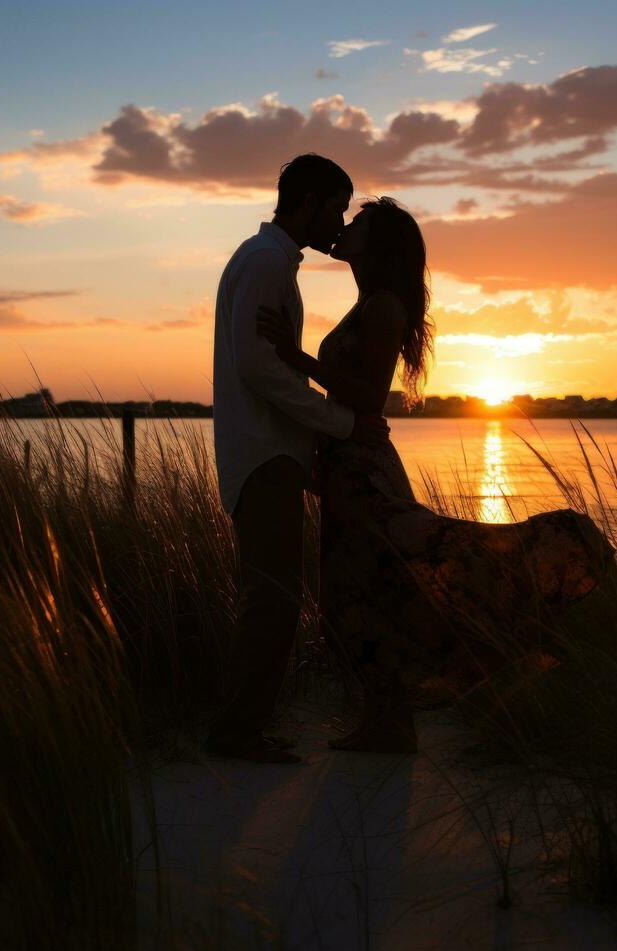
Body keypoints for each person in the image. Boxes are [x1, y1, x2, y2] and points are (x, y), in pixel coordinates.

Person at [257, 197, 615, 753]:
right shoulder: (369, 303)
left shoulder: (383, 308)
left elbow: (371, 398)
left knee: (376, 588)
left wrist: (293, 358)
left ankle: (406, 711)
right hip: (346, 467)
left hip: (364, 472)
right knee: (369, 595)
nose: (346, 227)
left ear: (378, 245)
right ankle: (389, 723)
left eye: (360, 223)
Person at [206, 155, 391, 764]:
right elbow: (258, 368)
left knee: (275, 595)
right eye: (336, 207)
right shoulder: (263, 263)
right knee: (272, 597)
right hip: (263, 454)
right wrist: (340, 424)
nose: (338, 221)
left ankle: (243, 725)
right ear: (309, 202)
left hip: (275, 453)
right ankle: (237, 732)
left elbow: (273, 363)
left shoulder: (273, 264)